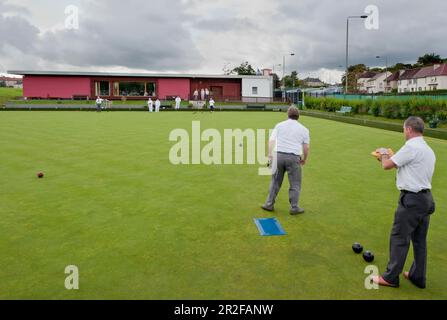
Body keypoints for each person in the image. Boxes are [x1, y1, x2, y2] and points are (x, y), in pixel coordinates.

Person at [373, 116, 436, 289]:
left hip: (412, 200)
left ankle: (391, 277)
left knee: (399, 237)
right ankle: (418, 276)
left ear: (408, 129)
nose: (403, 132)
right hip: (426, 199)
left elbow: (386, 165)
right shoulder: (427, 149)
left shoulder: (411, 146)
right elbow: (406, 166)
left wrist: (383, 153)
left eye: (403, 129)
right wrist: (387, 158)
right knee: (419, 240)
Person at [262, 106, 310, 215]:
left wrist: (270, 155)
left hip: (278, 156)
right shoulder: (304, 129)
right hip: (294, 158)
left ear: (288, 114)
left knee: (275, 181)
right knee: (295, 183)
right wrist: (304, 159)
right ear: (298, 116)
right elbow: (306, 148)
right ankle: (294, 207)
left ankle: (269, 204)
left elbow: (271, 141)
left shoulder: (279, 125)